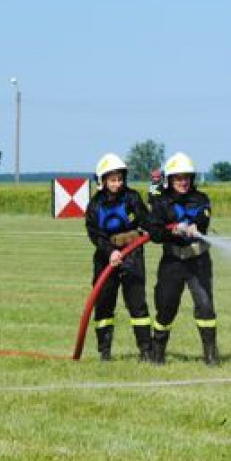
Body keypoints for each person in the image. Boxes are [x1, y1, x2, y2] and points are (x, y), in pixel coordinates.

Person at [147, 152, 219, 366]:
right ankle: (158, 353)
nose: (183, 182)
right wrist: (172, 231)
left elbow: (204, 216)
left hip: (198, 260)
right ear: (169, 179)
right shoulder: (161, 202)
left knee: (205, 306)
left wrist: (196, 225)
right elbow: (154, 232)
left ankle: (210, 354)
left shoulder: (201, 199)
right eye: (178, 178)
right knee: (166, 307)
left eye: (186, 177)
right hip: (173, 261)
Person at [84, 153, 153, 361]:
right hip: (106, 256)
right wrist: (110, 252)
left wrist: (154, 228)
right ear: (103, 181)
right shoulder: (95, 205)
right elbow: (94, 234)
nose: (117, 184)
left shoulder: (132, 198)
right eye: (113, 180)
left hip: (132, 254)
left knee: (137, 303)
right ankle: (104, 352)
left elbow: (146, 220)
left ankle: (146, 351)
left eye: (120, 179)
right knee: (104, 303)